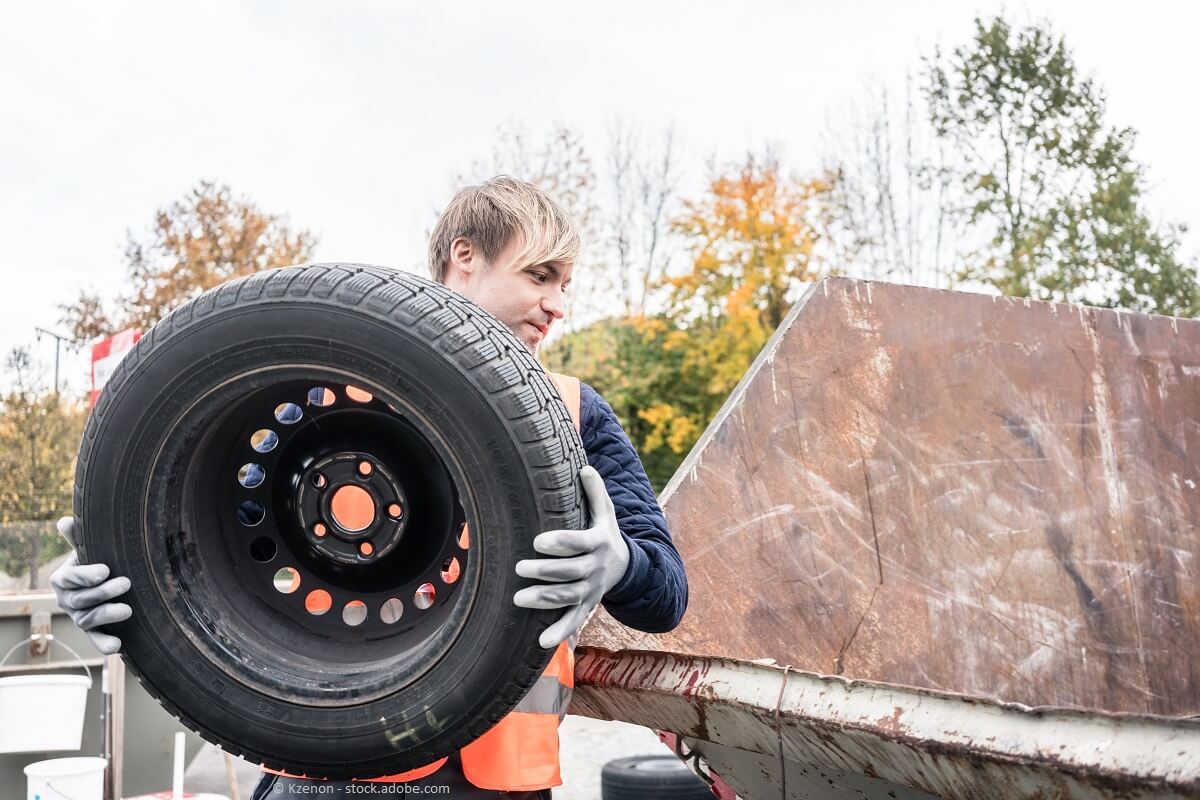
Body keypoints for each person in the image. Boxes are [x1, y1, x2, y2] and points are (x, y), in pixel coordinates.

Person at [51, 176, 688, 799]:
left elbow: (666, 594)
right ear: (465, 257)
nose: (558, 305)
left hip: (491, 782)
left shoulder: (572, 413)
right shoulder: (314, 385)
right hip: (322, 774)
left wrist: (620, 563)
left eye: (564, 285)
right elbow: (194, 535)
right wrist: (124, 581)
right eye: (539, 276)